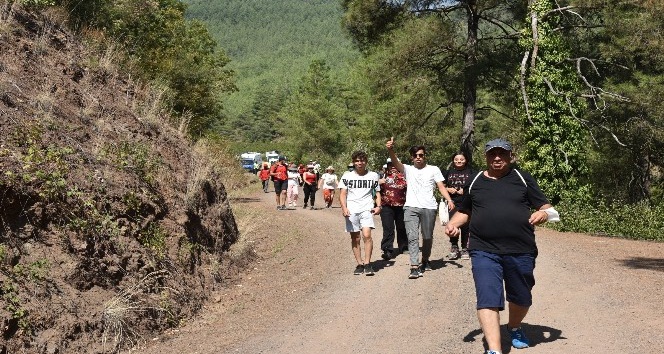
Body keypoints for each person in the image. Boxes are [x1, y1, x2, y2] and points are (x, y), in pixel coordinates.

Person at [444, 138, 559, 354]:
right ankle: (494, 350)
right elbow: (465, 211)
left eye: (502, 154)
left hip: (521, 250)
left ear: (509, 156)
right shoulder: (476, 179)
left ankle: (514, 326)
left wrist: (543, 213)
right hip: (483, 249)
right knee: (487, 296)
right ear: (486, 156)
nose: (497, 158)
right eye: (492, 154)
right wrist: (452, 224)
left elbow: (548, 208)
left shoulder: (522, 178)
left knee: (521, 298)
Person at [386, 137, 455, 279]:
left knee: (428, 237)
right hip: (411, 207)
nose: (418, 158)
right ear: (412, 158)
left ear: (425, 156)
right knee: (412, 237)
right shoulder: (408, 169)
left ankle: (425, 259)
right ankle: (414, 266)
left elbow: (440, 186)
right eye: (416, 156)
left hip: (429, 207)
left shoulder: (434, 169)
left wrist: (449, 200)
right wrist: (390, 149)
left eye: (421, 155)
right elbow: (395, 162)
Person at [339, 150, 382, 276]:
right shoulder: (347, 176)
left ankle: (368, 263)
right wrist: (344, 208)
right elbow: (343, 194)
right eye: (357, 161)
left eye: (362, 160)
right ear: (353, 162)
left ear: (366, 161)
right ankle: (359, 263)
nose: (359, 163)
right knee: (355, 237)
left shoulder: (373, 175)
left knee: (367, 235)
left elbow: (377, 192)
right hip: (352, 209)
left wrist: (378, 206)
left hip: (366, 209)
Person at [443, 152, 474, 260]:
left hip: (467, 202)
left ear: (466, 160)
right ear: (453, 160)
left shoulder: (471, 172)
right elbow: (441, 186)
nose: (459, 161)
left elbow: (475, 185)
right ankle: (454, 246)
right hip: (453, 202)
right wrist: (448, 189)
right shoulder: (448, 172)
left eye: (461, 159)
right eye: (456, 159)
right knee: (453, 225)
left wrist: (465, 190)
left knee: (466, 225)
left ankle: (465, 248)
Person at [378, 158, 408, 260]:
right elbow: (372, 188)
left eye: (395, 164)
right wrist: (378, 182)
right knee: (388, 228)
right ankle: (387, 250)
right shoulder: (381, 175)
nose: (393, 166)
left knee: (402, 227)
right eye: (391, 164)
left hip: (402, 206)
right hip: (386, 206)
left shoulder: (405, 176)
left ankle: (403, 246)